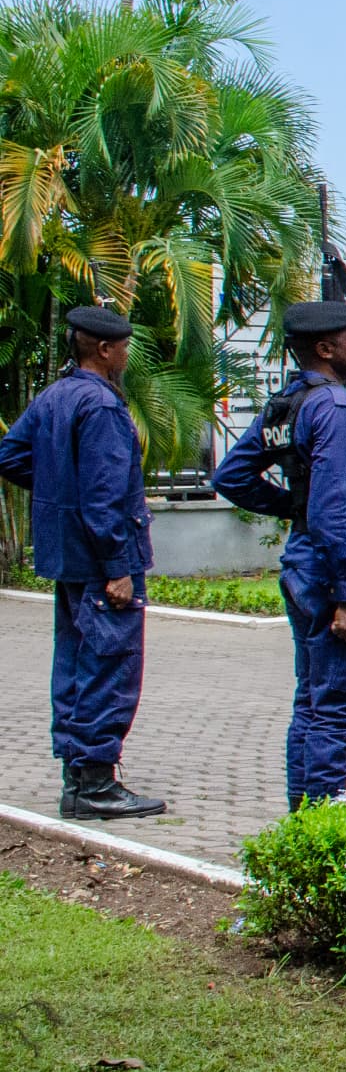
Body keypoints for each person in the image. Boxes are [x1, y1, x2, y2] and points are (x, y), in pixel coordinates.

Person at [214, 301, 346, 810]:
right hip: (345, 569)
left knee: (313, 703)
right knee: (341, 711)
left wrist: (292, 508)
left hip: (306, 562)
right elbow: (332, 509)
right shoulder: (336, 408)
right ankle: (321, 826)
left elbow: (232, 477)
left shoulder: (290, 403)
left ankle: (304, 823)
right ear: (326, 349)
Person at [0, 307, 162, 820]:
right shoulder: (103, 406)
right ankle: (94, 783)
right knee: (109, 665)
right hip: (101, 562)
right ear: (106, 350)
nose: (127, 356)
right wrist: (117, 564)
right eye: (125, 348)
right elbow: (105, 492)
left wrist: (56, 492)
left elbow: (10, 454)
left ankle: (78, 776)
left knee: (73, 664)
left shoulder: (54, 396)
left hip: (68, 556)